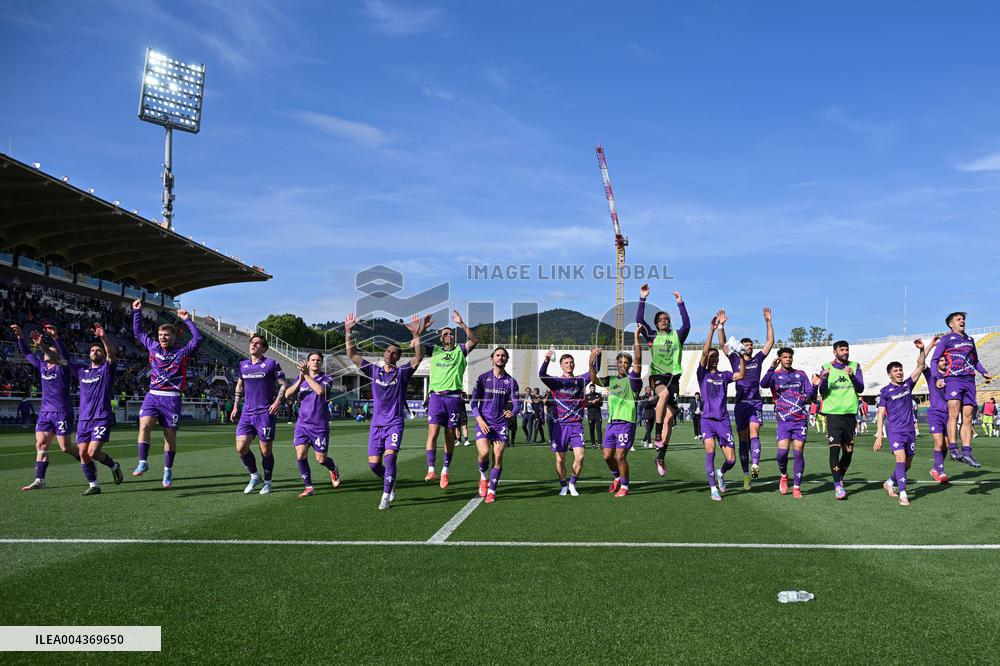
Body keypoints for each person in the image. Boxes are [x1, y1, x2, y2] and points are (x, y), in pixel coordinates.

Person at [346, 313, 427, 510]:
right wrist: (348, 332)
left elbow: (419, 356)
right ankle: (390, 480)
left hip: (394, 423)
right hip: (376, 425)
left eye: (395, 353)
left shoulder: (403, 373)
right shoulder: (374, 371)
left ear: (399, 357)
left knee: (390, 458)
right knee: (374, 465)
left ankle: (385, 495)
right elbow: (352, 355)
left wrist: (417, 335)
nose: (391, 354)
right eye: (388, 351)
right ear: (384, 354)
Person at [130, 300, 204, 488]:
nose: (162, 338)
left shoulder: (182, 352)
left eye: (166, 335)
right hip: (152, 395)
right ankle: (143, 462)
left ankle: (167, 470)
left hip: (172, 398)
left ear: (173, 337)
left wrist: (187, 320)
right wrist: (136, 311)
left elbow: (198, 339)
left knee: (169, 437)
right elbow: (138, 333)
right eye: (160, 335)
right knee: (144, 425)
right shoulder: (153, 347)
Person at [12, 324, 83, 490]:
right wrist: (20, 337)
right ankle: (39, 480)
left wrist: (55, 337)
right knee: (41, 444)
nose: (46, 353)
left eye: (50, 351)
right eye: (45, 351)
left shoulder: (63, 368)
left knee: (65, 448)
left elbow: (64, 355)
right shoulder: (42, 367)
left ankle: (85, 459)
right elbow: (28, 353)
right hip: (45, 413)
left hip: (62, 412)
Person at [635, 284, 690, 476]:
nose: (664, 321)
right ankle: (656, 433)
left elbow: (687, 324)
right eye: (660, 320)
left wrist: (680, 303)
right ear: (656, 324)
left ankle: (660, 456)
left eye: (666, 319)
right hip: (657, 377)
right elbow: (639, 320)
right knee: (663, 394)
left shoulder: (677, 336)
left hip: (673, 378)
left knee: (669, 417)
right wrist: (643, 298)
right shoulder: (652, 336)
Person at [719, 308, 774, 489]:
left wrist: (768, 321)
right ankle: (745, 476)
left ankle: (755, 464)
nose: (749, 347)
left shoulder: (757, 359)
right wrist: (721, 326)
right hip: (740, 403)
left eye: (751, 345)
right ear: (741, 347)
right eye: (746, 345)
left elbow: (770, 342)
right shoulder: (735, 359)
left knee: (754, 432)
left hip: (755, 402)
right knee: (743, 439)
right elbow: (723, 346)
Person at [424, 311, 478, 487]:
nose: (449, 335)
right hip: (436, 397)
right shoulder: (435, 351)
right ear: (441, 338)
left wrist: (461, 323)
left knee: (449, 436)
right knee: (433, 433)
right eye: (445, 334)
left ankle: (445, 471)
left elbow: (474, 340)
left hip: (454, 398)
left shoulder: (460, 351)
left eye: (451, 333)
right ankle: (431, 469)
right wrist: (421, 330)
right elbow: (415, 345)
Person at [930, 312, 992, 467]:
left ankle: (967, 452)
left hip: (969, 380)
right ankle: (953, 448)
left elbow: (975, 360)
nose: (962, 321)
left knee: (968, 417)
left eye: (963, 318)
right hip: (953, 380)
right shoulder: (946, 339)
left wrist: (983, 371)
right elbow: (934, 360)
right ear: (951, 324)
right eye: (958, 319)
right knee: (954, 414)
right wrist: (937, 378)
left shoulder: (970, 340)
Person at [874, 340, 929, 507]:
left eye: (900, 370)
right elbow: (881, 412)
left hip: (910, 430)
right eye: (895, 370)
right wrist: (879, 435)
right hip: (895, 430)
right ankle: (903, 494)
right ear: (889, 374)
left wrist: (924, 348)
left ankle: (890, 482)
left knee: (908, 463)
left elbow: (920, 366)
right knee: (901, 458)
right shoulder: (885, 391)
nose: (899, 372)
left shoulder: (907, 385)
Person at [230, 334, 287, 495]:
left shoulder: (271, 364)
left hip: (265, 413)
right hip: (247, 413)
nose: (253, 345)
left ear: (264, 348)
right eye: (252, 342)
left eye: (257, 343)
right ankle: (254, 476)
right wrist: (235, 406)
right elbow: (239, 385)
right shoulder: (242, 365)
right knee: (241, 447)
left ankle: (268, 482)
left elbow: (283, 384)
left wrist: (277, 401)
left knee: (265, 450)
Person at [71, 323, 125, 495]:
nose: (95, 352)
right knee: (83, 453)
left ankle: (114, 466)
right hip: (84, 419)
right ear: (88, 355)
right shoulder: (82, 371)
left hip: (101, 416)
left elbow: (112, 354)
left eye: (98, 350)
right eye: (93, 350)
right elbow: (61, 358)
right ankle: (94, 485)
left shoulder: (107, 370)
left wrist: (103, 337)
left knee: (93, 452)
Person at [698, 312, 745, 501]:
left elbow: (740, 374)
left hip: (723, 420)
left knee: (731, 460)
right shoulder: (702, 374)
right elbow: (703, 353)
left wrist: (741, 355)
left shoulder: (724, 375)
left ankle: (721, 472)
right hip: (707, 419)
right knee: (710, 450)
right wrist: (712, 329)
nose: (714, 358)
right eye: (711, 356)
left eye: (716, 356)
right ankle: (712, 489)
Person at [760, 348, 819, 498]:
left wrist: (815, 386)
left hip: (800, 419)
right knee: (782, 453)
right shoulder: (775, 375)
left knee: (798, 452)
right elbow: (763, 384)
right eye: (785, 357)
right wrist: (772, 367)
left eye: (790, 357)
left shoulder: (800, 374)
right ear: (780, 358)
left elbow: (811, 397)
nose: (788, 359)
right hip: (784, 420)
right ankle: (784, 475)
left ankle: (797, 487)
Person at [590, 330, 642, 497]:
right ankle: (617, 477)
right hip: (612, 424)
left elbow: (639, 360)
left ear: (629, 365)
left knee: (620, 456)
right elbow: (593, 380)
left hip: (626, 423)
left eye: (626, 362)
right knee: (607, 456)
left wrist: (635, 337)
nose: (623, 365)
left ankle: (625, 487)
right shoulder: (611, 380)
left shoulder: (633, 380)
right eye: (620, 362)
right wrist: (591, 363)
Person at [539, 348, 598, 496]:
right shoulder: (556, 382)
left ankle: (572, 483)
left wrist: (596, 356)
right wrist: (546, 359)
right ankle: (563, 485)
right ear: (561, 365)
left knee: (580, 456)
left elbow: (594, 371)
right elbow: (542, 375)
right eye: (566, 362)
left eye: (571, 362)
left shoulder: (580, 380)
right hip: (560, 426)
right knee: (560, 459)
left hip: (576, 425)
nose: (569, 364)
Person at [471, 348, 521, 503]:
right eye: (498, 355)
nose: (500, 358)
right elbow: (473, 402)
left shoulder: (511, 382)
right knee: (484, 453)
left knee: (498, 456)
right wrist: (479, 420)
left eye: (503, 356)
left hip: (500, 425)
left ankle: (492, 491)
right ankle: (483, 477)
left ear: (507, 359)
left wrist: (513, 412)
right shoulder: (482, 378)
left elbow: (517, 404)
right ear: (492, 359)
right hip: (484, 423)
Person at [285, 352, 337, 498]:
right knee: (301, 455)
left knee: (321, 459)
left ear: (321, 363)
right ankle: (309, 487)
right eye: (313, 360)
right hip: (302, 425)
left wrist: (306, 375)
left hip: (319, 426)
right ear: (308, 362)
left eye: (318, 360)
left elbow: (320, 391)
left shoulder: (327, 378)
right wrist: (301, 379)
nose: (315, 362)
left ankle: (333, 468)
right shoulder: (301, 378)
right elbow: (288, 394)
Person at [818, 340, 864, 500]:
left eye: (847, 349)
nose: (845, 352)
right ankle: (838, 485)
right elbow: (822, 392)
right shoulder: (826, 367)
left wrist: (852, 376)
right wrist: (823, 380)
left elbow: (861, 388)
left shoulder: (855, 366)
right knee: (834, 448)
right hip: (833, 414)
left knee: (848, 451)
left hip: (850, 413)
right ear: (835, 352)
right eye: (842, 349)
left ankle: (840, 477)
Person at [585, 384, 604, 449]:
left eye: (593, 388)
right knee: (591, 430)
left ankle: (600, 444)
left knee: (599, 430)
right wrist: (591, 402)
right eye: (591, 388)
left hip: (598, 415)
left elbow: (601, 404)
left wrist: (597, 402)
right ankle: (593, 444)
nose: (592, 389)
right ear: (589, 389)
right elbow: (586, 405)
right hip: (590, 415)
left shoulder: (598, 395)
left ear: (595, 388)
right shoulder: (587, 396)